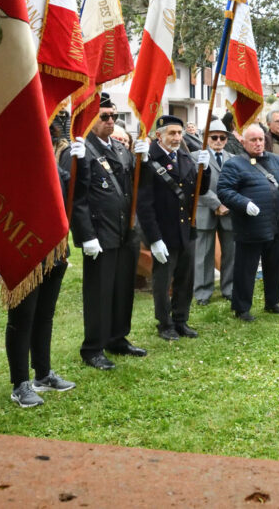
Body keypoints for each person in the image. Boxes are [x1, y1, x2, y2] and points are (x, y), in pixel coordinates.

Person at [67, 96, 147, 369]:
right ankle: (93, 347)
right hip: (100, 233)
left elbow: (135, 187)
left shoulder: (121, 149)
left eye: (113, 115)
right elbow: (77, 199)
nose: (111, 120)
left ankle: (118, 337)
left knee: (124, 288)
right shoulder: (81, 150)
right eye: (104, 116)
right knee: (100, 291)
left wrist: (143, 160)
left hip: (125, 231)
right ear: (91, 119)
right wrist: (85, 235)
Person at [136, 115, 211, 341]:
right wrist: (154, 238)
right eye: (172, 133)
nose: (177, 138)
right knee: (162, 281)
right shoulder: (149, 160)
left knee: (185, 278)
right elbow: (144, 204)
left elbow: (201, 190)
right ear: (159, 135)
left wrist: (205, 170)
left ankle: (181, 320)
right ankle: (165, 323)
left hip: (185, 229)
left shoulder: (185, 157)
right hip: (163, 231)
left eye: (179, 133)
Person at [7, 162, 75, 407]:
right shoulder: (8, 163)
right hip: (21, 248)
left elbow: (70, 194)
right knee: (21, 318)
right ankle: (20, 384)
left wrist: (82, 166)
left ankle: (43, 374)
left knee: (44, 315)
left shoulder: (47, 159)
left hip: (53, 249)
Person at [217, 124, 279, 320]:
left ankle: (273, 302)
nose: (258, 143)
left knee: (275, 265)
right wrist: (243, 203)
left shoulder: (278, 161)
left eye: (261, 139)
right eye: (253, 140)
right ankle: (241, 308)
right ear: (243, 141)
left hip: (276, 223)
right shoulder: (234, 164)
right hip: (250, 226)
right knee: (246, 269)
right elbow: (224, 191)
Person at [192, 120, 236, 306]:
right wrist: (216, 204)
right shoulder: (195, 157)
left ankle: (230, 289)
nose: (218, 141)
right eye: (214, 137)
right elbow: (195, 184)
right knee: (203, 253)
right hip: (205, 209)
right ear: (205, 137)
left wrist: (228, 204)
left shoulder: (233, 158)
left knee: (231, 253)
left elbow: (237, 184)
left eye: (222, 137)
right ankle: (202, 292)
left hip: (229, 211)